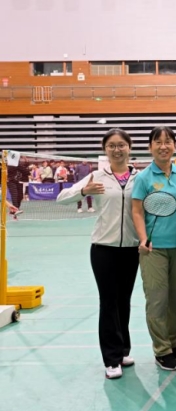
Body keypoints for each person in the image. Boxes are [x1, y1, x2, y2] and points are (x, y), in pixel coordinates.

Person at [56, 129, 139, 380]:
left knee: (124, 301)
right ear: (105, 149)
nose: (117, 149)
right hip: (104, 249)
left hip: (132, 249)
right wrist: (84, 191)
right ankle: (111, 359)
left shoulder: (140, 178)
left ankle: (123, 350)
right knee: (109, 301)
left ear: (129, 147)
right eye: (112, 145)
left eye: (121, 145)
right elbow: (61, 198)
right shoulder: (96, 176)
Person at [131, 126, 176, 372]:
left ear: (175, 145)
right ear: (150, 147)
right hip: (153, 248)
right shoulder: (143, 177)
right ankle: (162, 349)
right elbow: (137, 211)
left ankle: (173, 343)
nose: (163, 146)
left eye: (168, 141)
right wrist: (143, 239)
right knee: (157, 300)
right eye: (158, 142)